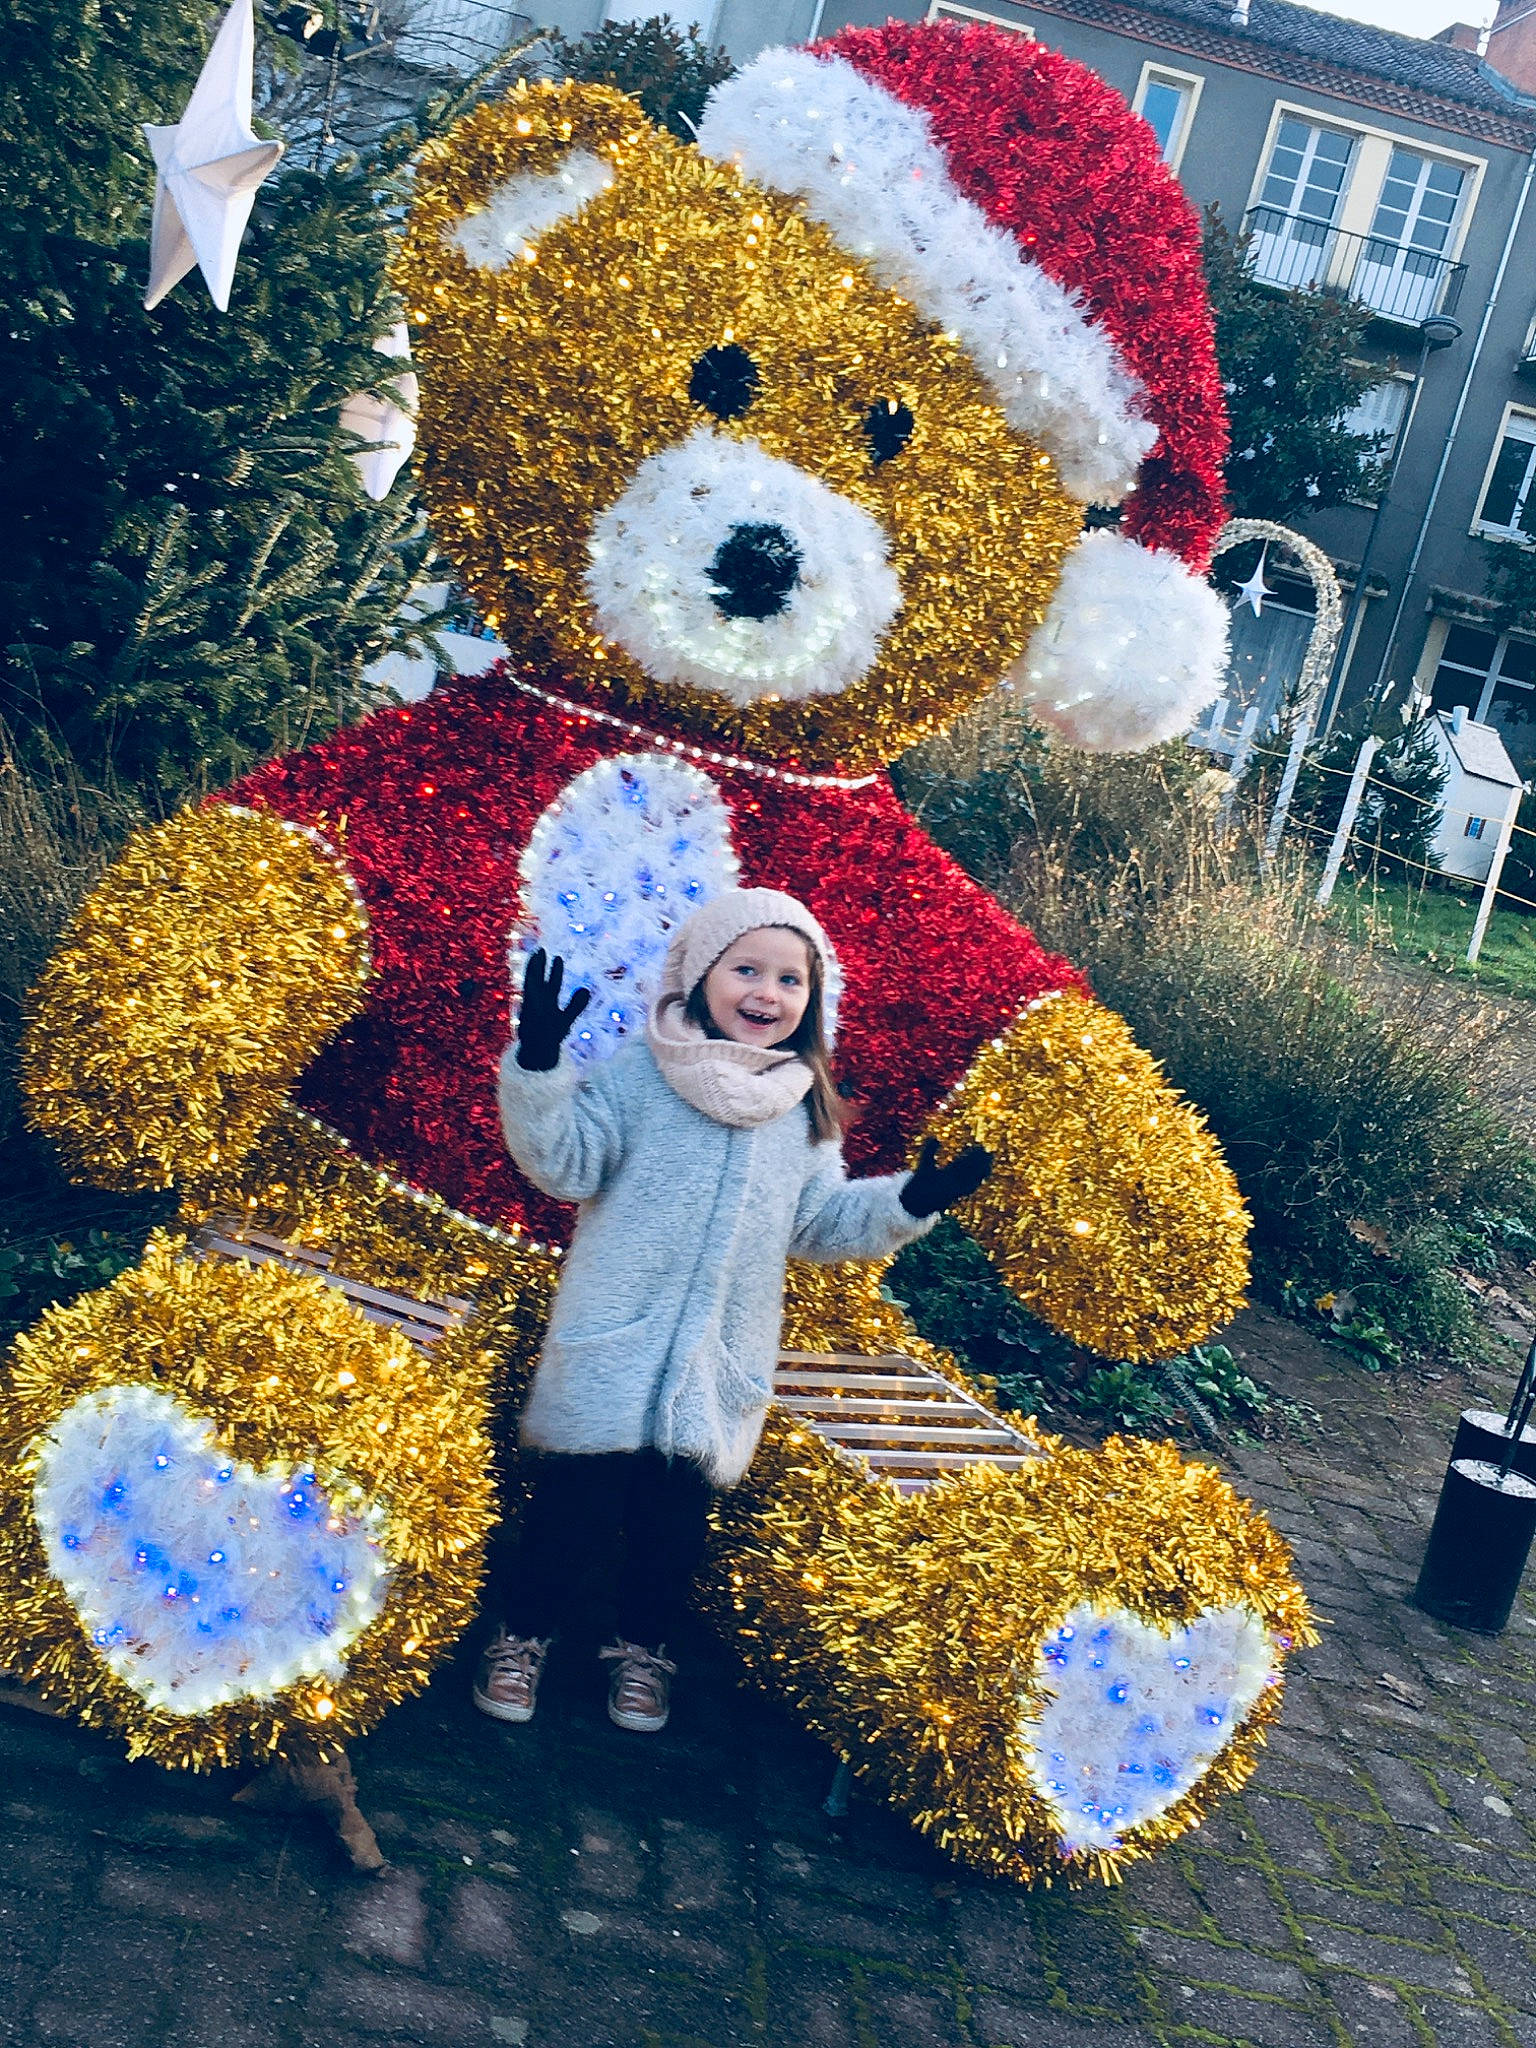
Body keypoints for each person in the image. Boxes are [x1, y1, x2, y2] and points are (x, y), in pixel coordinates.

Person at [474, 888, 992, 1733]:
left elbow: (819, 1224)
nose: (767, 992)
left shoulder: (802, 1108)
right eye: (747, 969)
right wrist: (538, 1067)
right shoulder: (640, 1077)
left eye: (790, 979)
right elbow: (566, 1165)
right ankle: (523, 1635)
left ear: (810, 1000)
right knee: (573, 1509)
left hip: (718, 1359)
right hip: (615, 1340)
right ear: (701, 974)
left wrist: (909, 1201)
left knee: (672, 1528)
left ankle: (643, 1650)